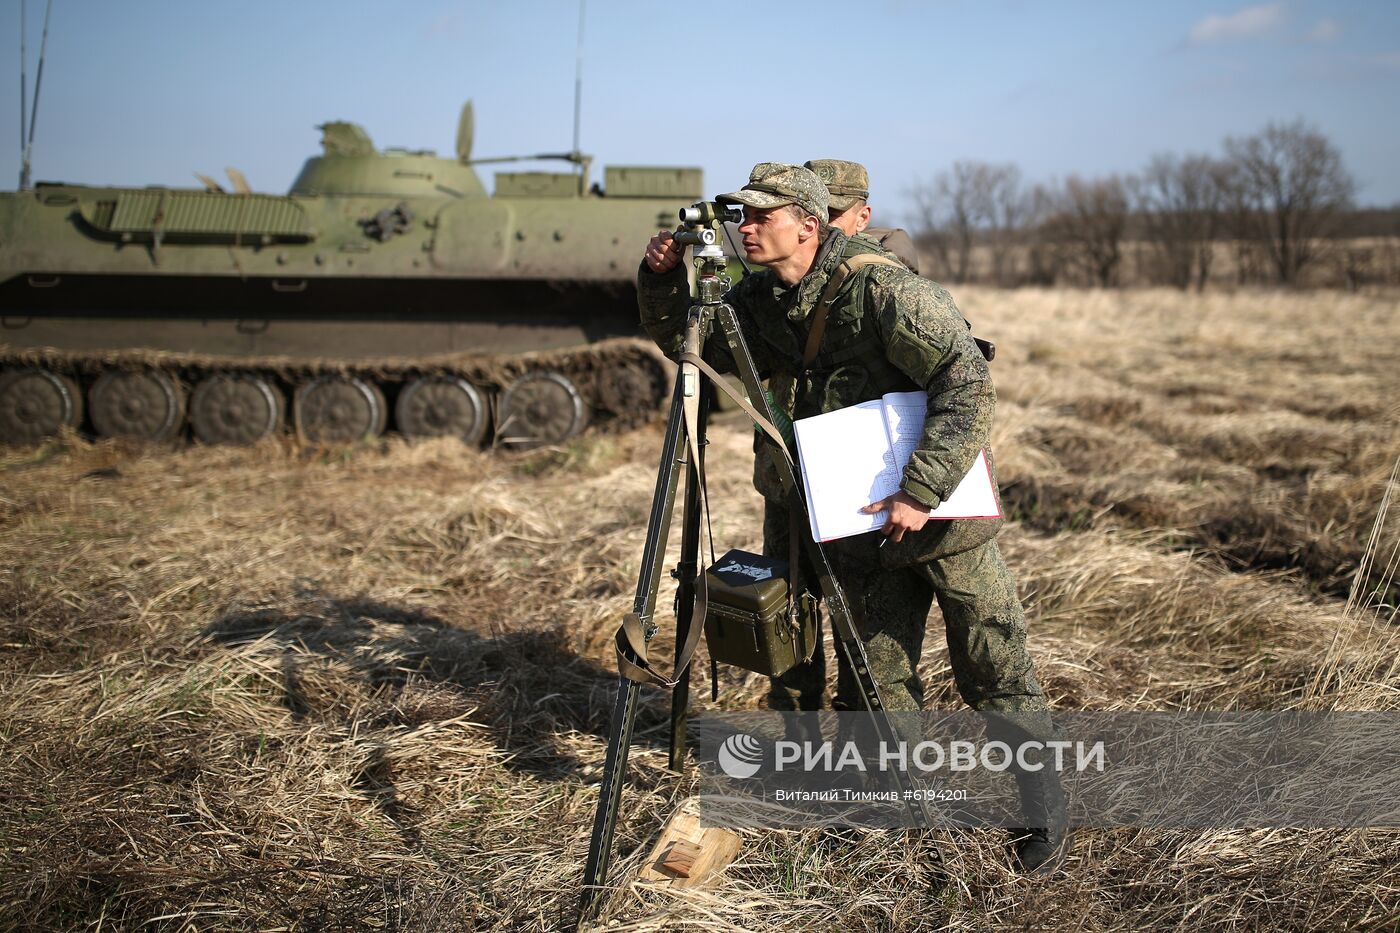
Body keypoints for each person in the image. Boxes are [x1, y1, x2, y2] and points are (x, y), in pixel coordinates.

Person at [639, 162, 1067, 872]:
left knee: (994, 666)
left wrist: (921, 488)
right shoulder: (762, 299)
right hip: (861, 521)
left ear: (808, 225)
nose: (744, 228)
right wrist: (660, 281)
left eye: (760, 216)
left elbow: (967, 381)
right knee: (878, 677)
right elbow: (695, 348)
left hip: (941, 514)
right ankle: (900, 809)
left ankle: (1044, 812)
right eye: (741, 217)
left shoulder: (885, 290)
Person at [803, 158, 921, 274]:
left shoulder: (880, 280)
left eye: (830, 214)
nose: (813, 224)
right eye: (806, 214)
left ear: (862, 218)